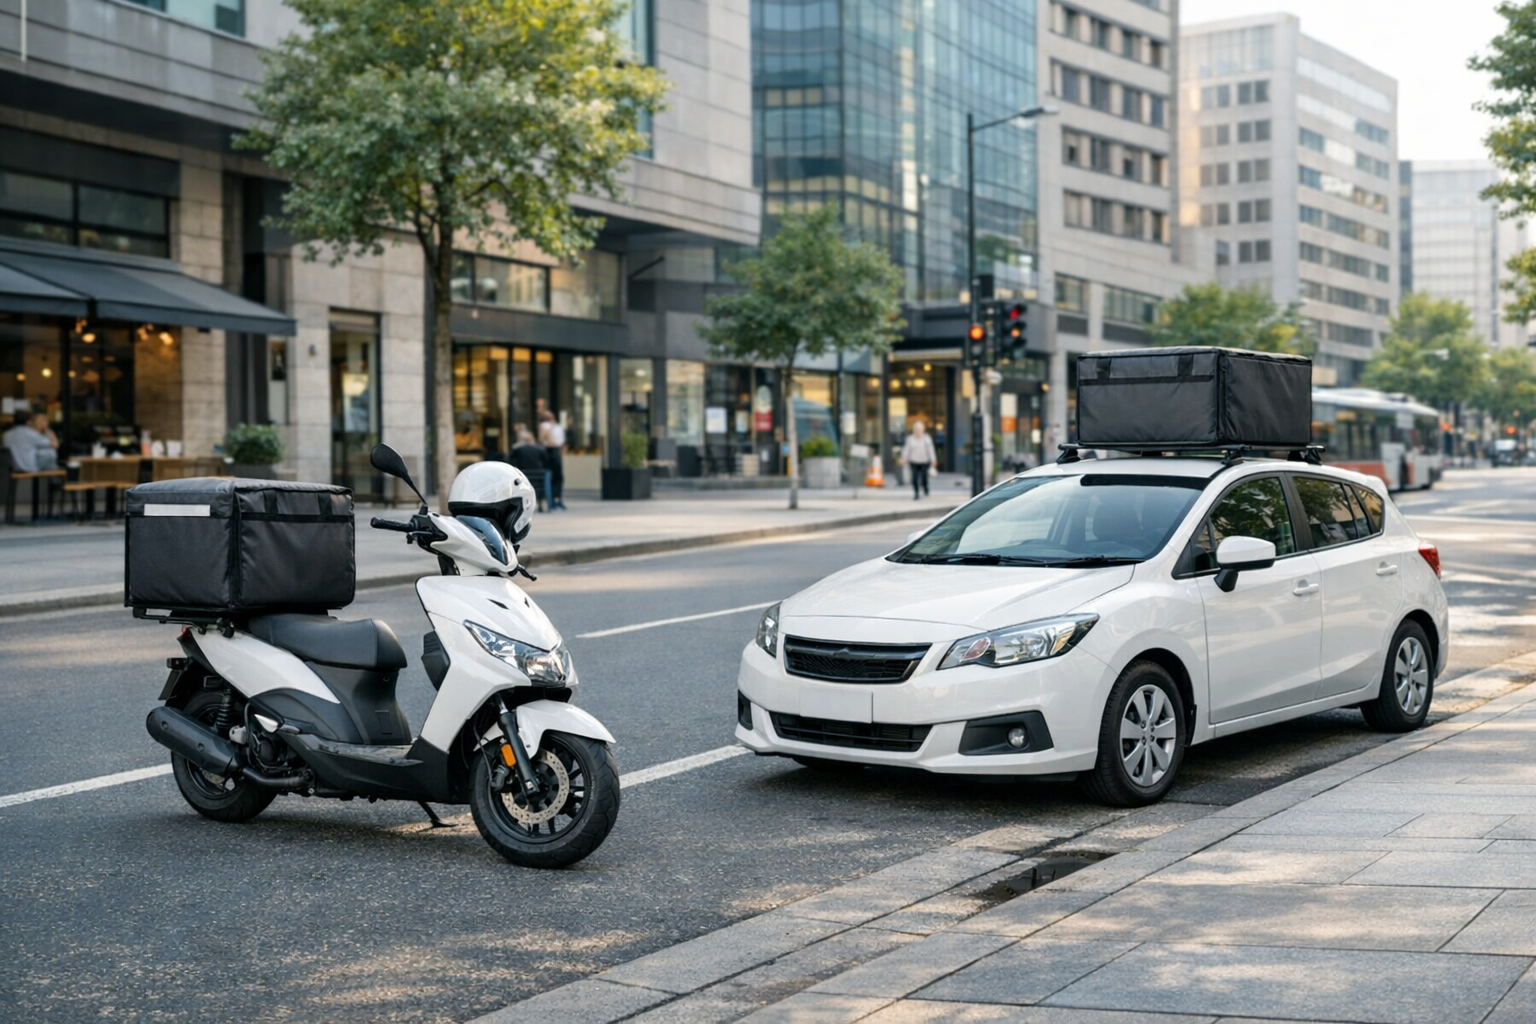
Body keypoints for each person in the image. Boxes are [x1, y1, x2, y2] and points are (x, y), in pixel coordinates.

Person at [508, 428, 550, 513]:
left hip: (524, 476)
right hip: (538, 476)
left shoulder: (518, 449)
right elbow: (546, 461)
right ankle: (540, 504)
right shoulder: (540, 449)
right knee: (540, 484)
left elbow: (510, 459)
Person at [538, 411, 568, 510]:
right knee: (550, 477)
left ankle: (557, 498)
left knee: (558, 476)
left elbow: (561, 440)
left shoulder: (556, 426)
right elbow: (544, 438)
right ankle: (552, 499)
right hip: (549, 450)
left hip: (556, 450)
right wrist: (551, 427)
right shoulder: (544, 426)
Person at [901, 420, 936, 500]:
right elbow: (907, 450)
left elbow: (931, 450)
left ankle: (925, 487)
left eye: (919, 429)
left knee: (924, 477)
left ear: (923, 429)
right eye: (916, 429)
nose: (918, 431)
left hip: (924, 461)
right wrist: (904, 458)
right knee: (915, 478)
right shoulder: (910, 439)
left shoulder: (926, 438)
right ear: (914, 430)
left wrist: (933, 460)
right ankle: (916, 493)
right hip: (914, 461)